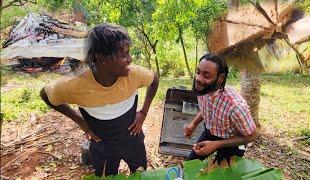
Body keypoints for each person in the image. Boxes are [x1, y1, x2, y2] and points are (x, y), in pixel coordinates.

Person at [40, 23, 159, 176]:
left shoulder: (134, 75)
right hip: (102, 145)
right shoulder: (74, 85)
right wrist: (81, 121)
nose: (130, 59)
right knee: (105, 176)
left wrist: (143, 113)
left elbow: (155, 79)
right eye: (123, 54)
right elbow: (45, 95)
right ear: (101, 58)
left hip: (132, 140)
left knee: (140, 173)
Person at [184, 53, 257, 164]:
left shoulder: (235, 107)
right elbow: (206, 109)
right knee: (191, 163)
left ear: (221, 78)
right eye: (198, 72)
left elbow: (252, 136)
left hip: (233, 142)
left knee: (221, 172)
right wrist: (194, 124)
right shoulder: (203, 90)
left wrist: (217, 144)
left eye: (206, 75)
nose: (198, 79)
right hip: (210, 132)